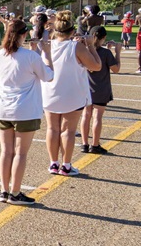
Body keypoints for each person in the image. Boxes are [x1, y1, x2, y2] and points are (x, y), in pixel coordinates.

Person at [0, 20, 54, 205]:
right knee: (20, 153)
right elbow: (49, 76)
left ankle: (4, 190)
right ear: (24, 35)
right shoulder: (31, 56)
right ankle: (15, 193)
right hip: (24, 109)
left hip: (2, 107)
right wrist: (46, 53)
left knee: (6, 151)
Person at [42, 10, 102, 176]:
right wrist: (90, 45)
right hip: (72, 93)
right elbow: (96, 66)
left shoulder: (48, 45)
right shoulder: (77, 46)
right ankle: (66, 165)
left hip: (50, 91)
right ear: (72, 31)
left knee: (52, 129)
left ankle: (54, 163)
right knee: (68, 130)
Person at [80, 26, 120, 154]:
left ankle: (84, 144)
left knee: (86, 116)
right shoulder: (105, 53)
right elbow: (116, 69)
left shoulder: (84, 51)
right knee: (97, 117)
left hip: (86, 88)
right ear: (103, 38)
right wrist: (117, 52)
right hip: (101, 89)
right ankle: (95, 144)